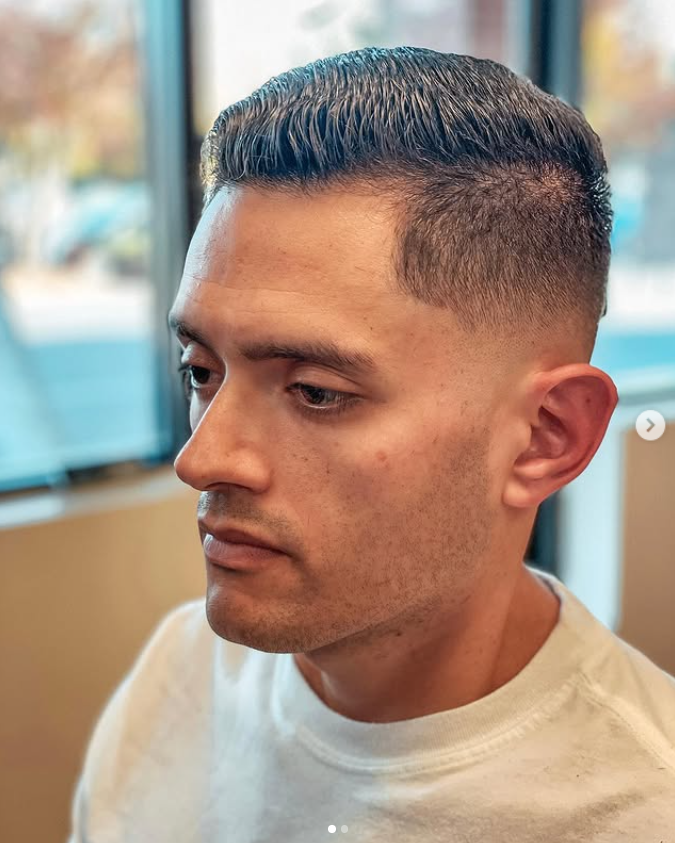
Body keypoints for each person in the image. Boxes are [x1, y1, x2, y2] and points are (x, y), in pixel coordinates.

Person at [67, 46, 675, 842]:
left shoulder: (639, 809)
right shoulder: (179, 672)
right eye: (201, 371)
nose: (203, 460)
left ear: (543, 437)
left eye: (317, 391)